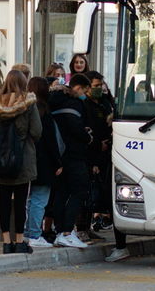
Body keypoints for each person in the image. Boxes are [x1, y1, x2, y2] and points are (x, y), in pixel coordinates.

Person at [0, 70, 42, 254]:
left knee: (3, 199)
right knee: (20, 202)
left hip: (1, 158)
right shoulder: (28, 103)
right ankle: (19, 241)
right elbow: (36, 131)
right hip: (23, 158)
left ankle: (6, 242)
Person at [48, 74, 92, 249]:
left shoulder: (54, 101)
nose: (86, 94)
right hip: (74, 154)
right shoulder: (73, 103)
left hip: (59, 155)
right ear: (78, 88)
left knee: (61, 192)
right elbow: (75, 127)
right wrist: (87, 136)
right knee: (80, 190)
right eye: (86, 90)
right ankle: (67, 231)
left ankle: (60, 231)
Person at [24, 76, 62, 249]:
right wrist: (58, 163)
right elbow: (51, 142)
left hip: (29, 160)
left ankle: (27, 232)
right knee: (40, 199)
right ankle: (34, 234)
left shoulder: (25, 109)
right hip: (45, 162)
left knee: (30, 199)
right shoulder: (44, 112)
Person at [83, 71, 114, 239]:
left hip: (106, 151)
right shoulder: (85, 105)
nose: (99, 89)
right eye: (95, 86)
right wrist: (96, 147)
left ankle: (96, 221)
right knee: (90, 193)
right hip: (92, 153)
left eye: (100, 85)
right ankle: (86, 225)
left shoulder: (104, 103)